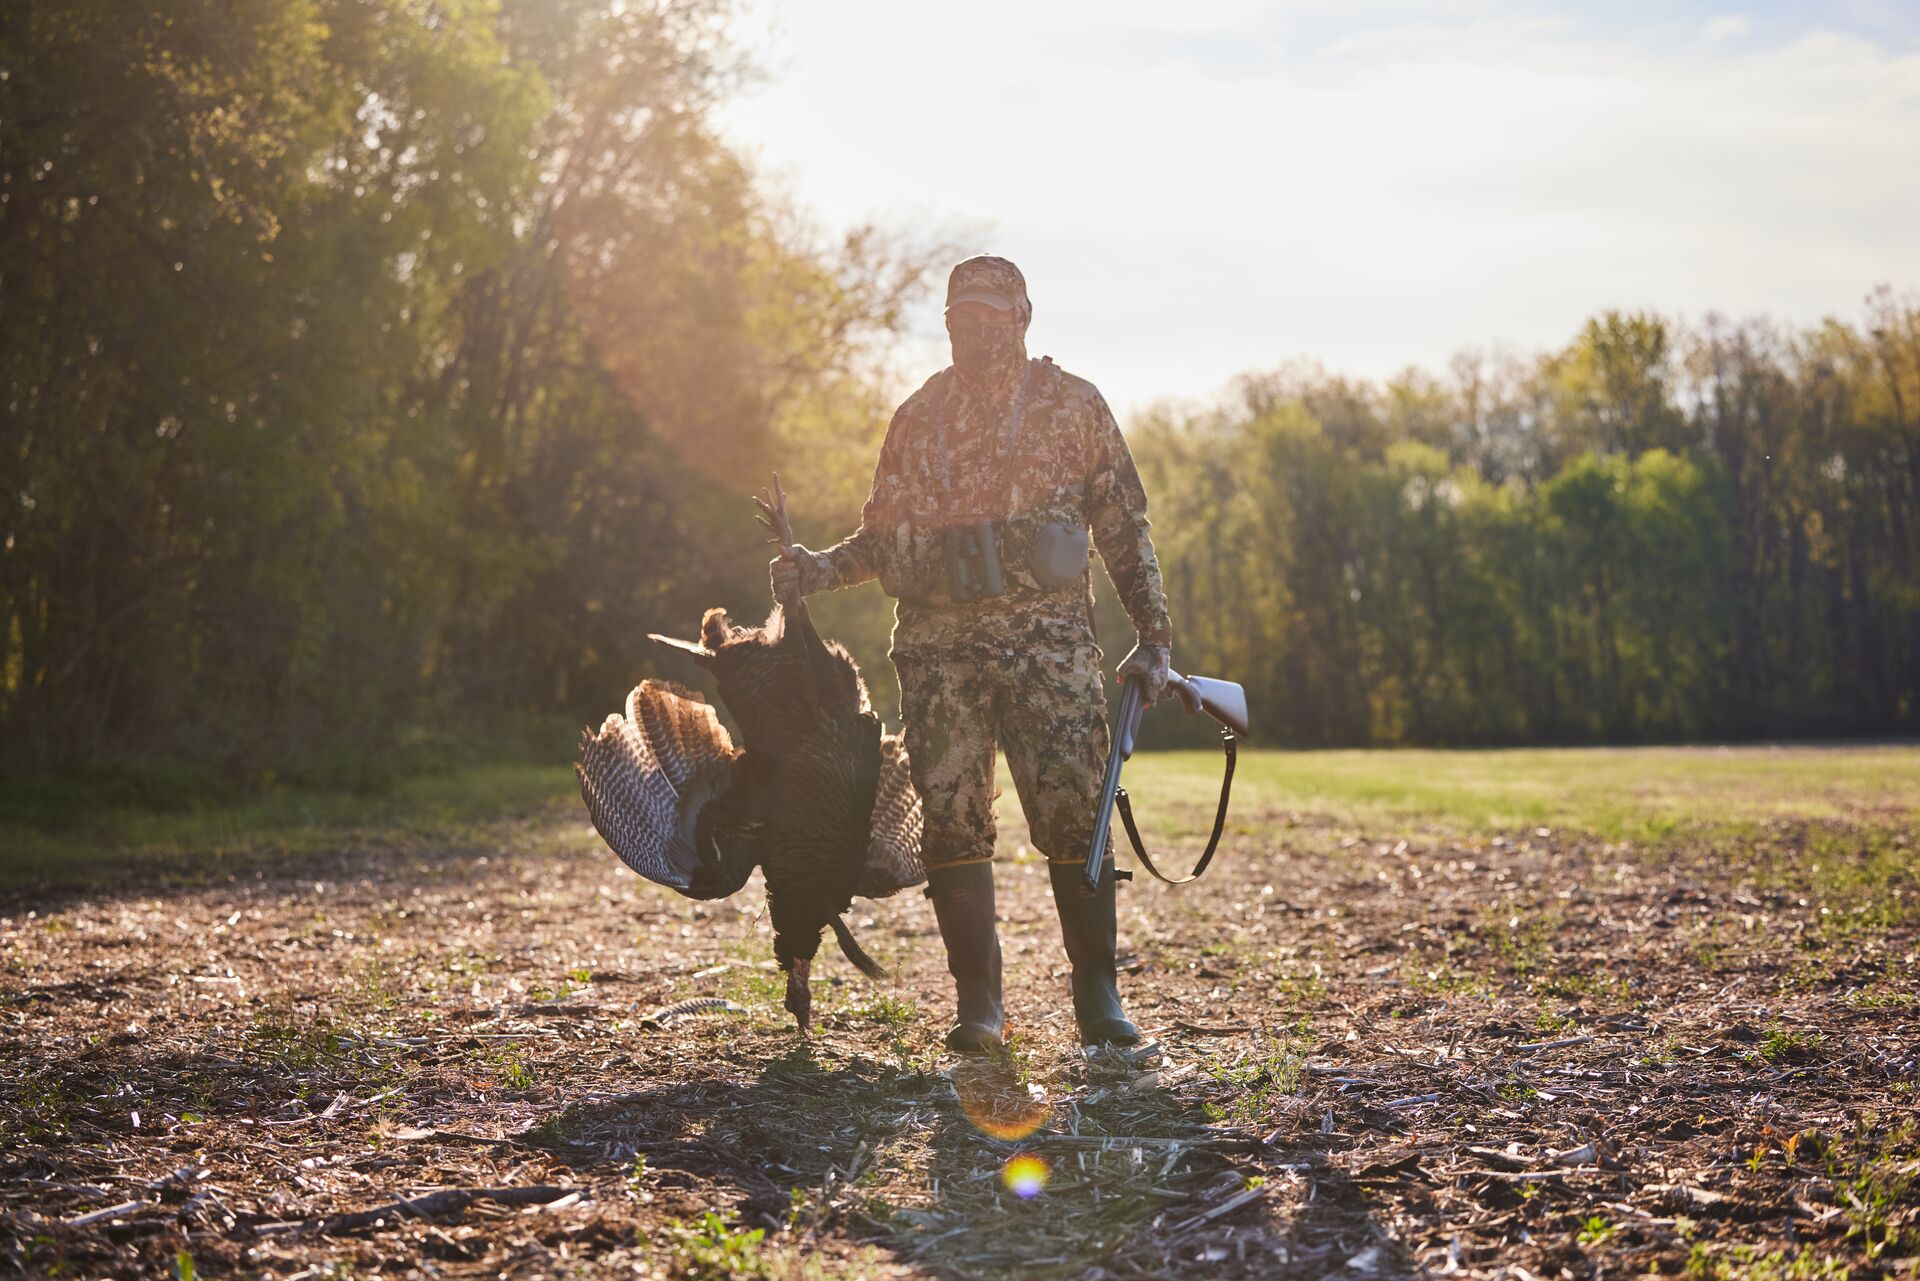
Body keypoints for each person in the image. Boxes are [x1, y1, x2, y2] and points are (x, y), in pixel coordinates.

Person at [770, 255, 1172, 1050]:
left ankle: (1097, 991)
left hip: (1050, 655)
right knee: (951, 823)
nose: (976, 331)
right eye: (962, 318)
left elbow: (1124, 526)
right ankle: (978, 1002)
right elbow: (882, 542)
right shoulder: (918, 416)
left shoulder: (1073, 406)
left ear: (1024, 317)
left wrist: (1154, 637)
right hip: (939, 658)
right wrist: (814, 571)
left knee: (1074, 813)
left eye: (992, 316)